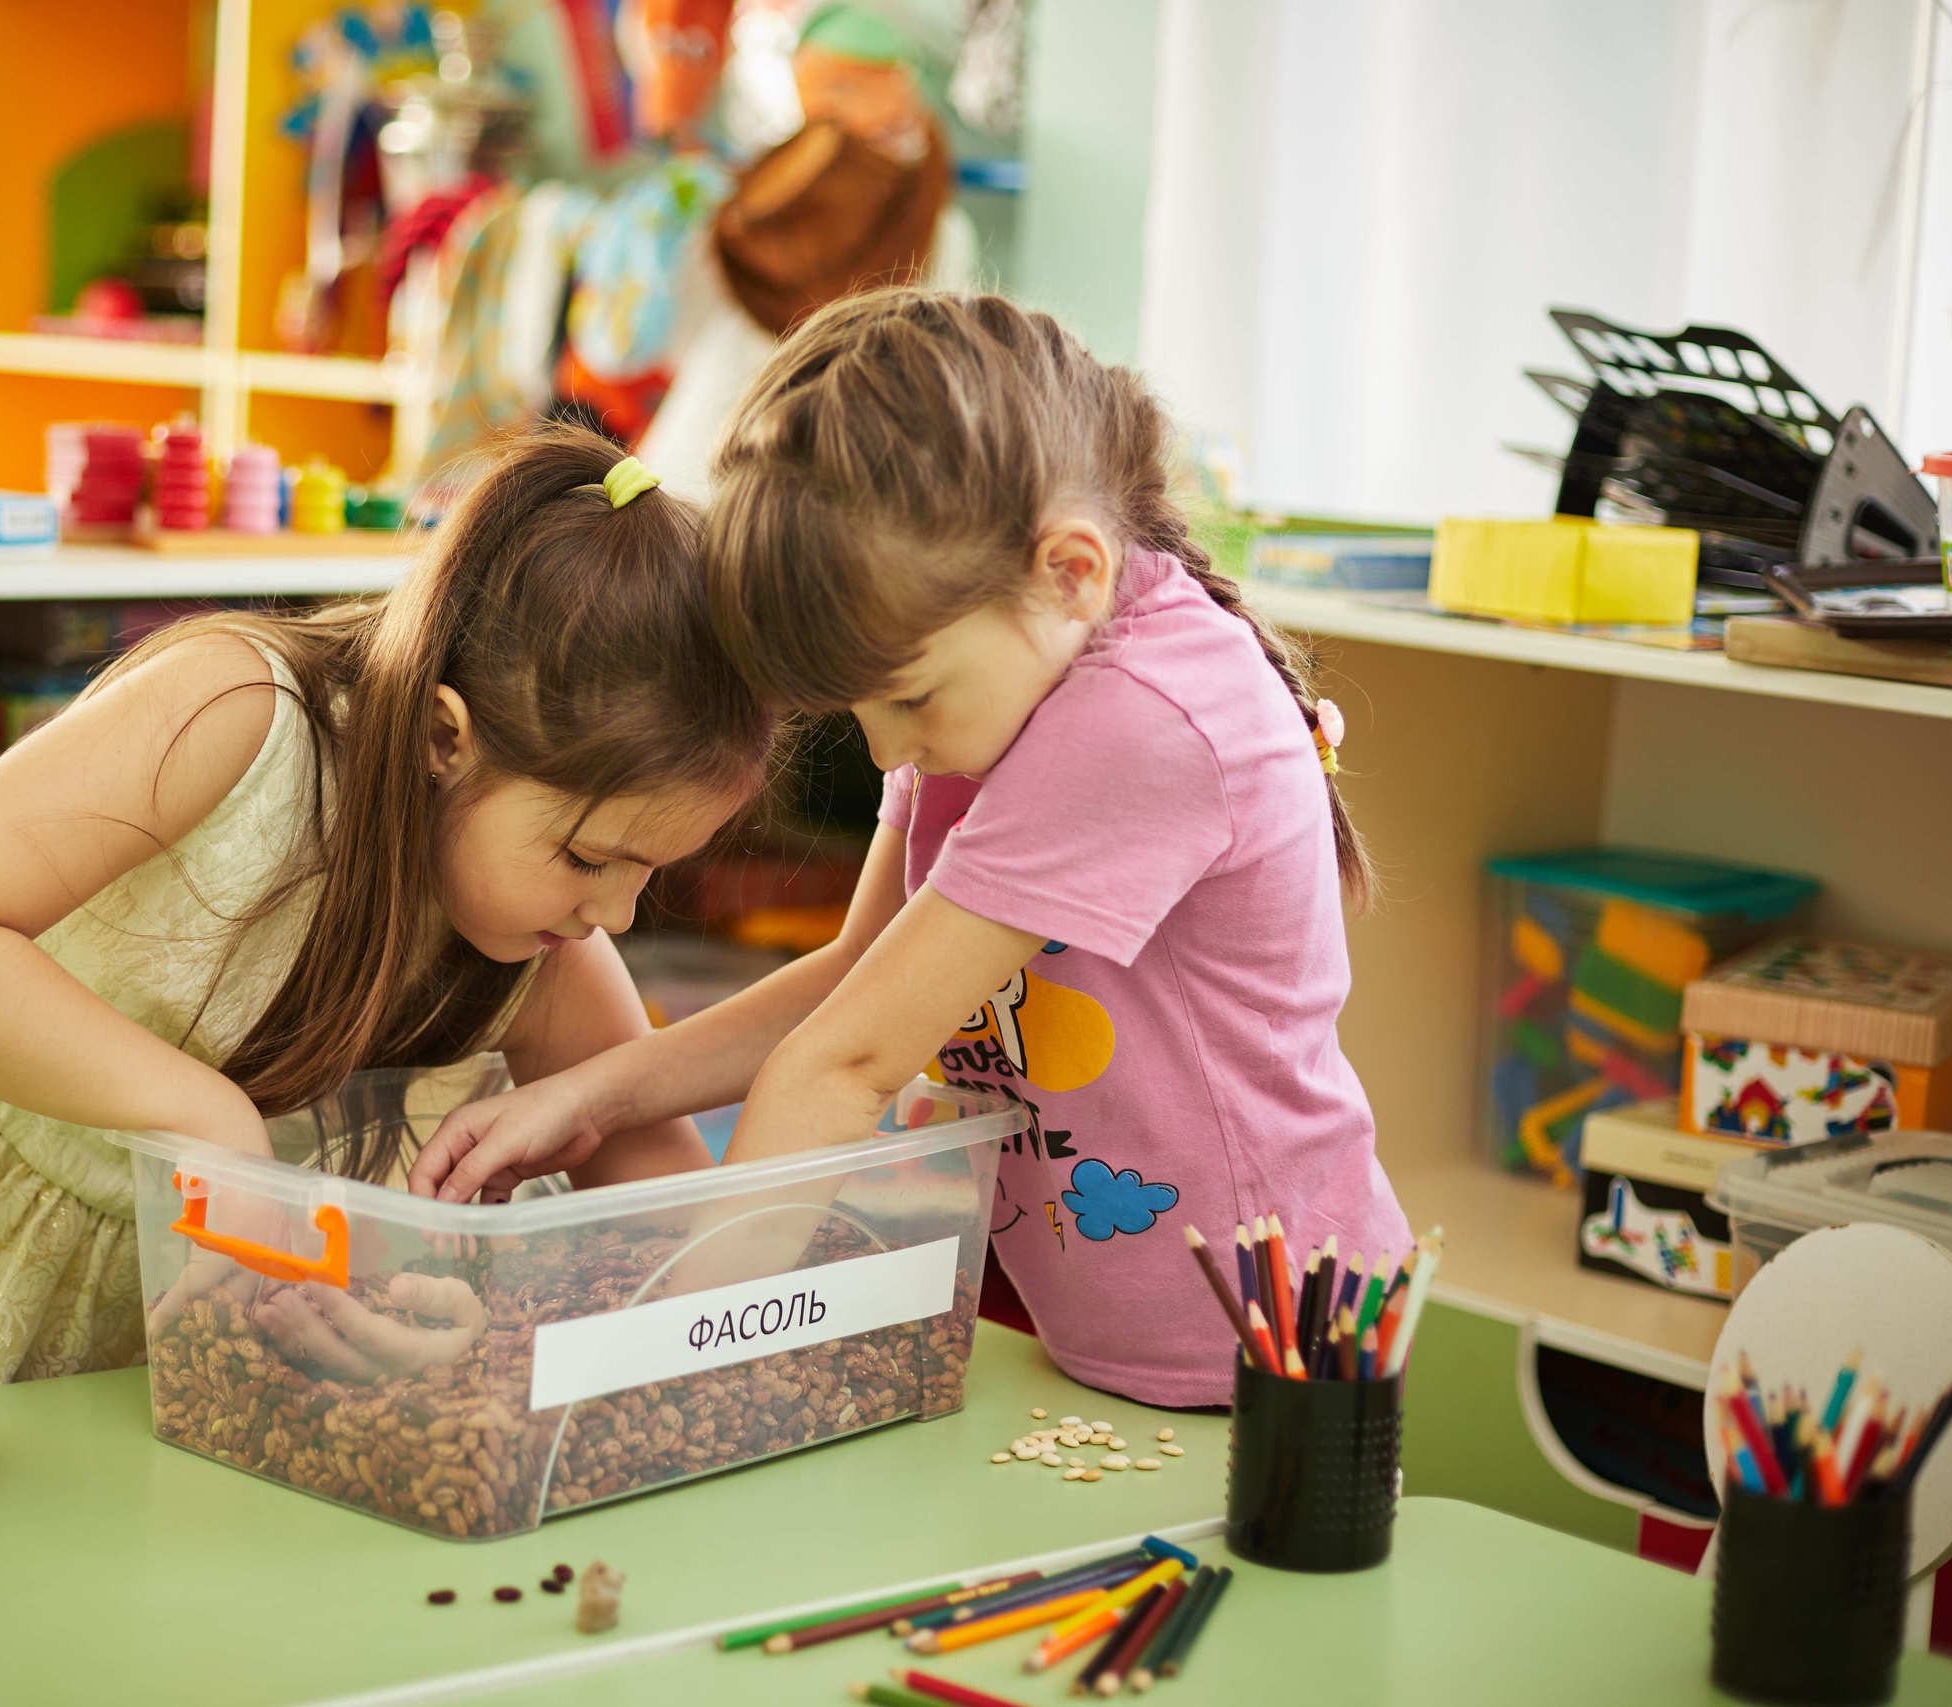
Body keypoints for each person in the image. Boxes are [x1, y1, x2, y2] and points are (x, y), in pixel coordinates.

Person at [0, 428, 774, 1440]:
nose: (610, 915)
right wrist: (209, 1126)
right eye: (591, 857)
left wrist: (536, 1304)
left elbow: (646, 1161)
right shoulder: (239, 711)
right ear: (447, 738)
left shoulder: (535, 938)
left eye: (648, 874)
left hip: (167, 1366)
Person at [409, 291, 1410, 1407]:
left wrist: (646, 1359)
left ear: (1069, 572)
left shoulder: (1144, 718)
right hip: (1081, 1336)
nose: (892, 749)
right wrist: (591, 1097)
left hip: (1261, 1356)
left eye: (906, 699)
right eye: (858, 712)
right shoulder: (1001, 672)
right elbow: (850, 990)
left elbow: (844, 1065)